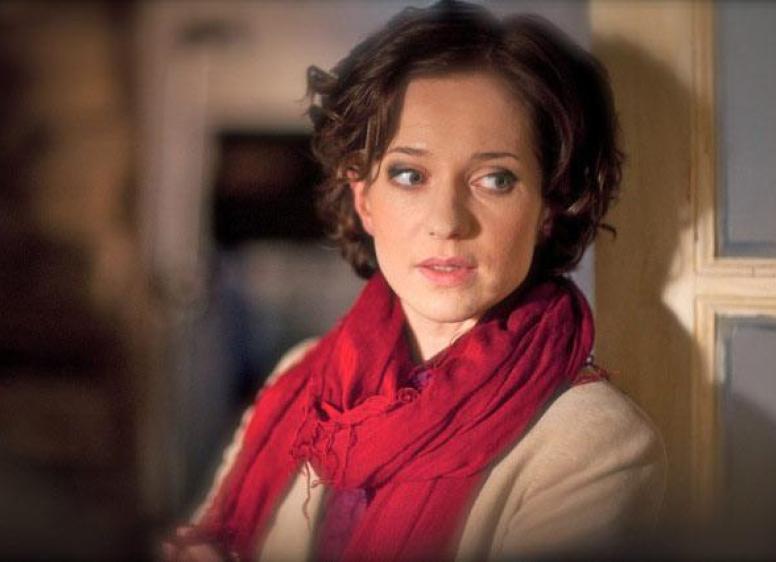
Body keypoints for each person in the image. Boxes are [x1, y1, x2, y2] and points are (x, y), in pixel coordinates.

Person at [163, 2, 666, 561]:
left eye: (495, 179)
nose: (446, 222)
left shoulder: (599, 444)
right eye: (409, 174)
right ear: (364, 198)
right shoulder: (301, 377)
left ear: (548, 207)